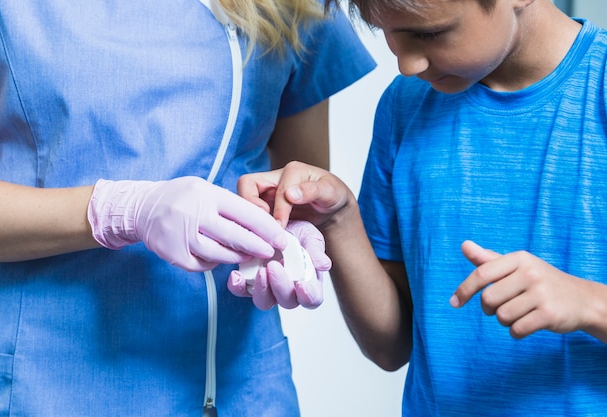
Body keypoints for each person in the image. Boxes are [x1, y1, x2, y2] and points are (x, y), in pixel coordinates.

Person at [0, 0, 375, 415]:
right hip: (45, 385)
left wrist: (283, 238)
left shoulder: (296, 4)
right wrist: (119, 210)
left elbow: (297, 185)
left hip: (240, 387)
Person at [232, 0, 607, 415]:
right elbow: (391, 347)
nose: (407, 65)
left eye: (429, 34)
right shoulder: (404, 106)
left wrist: (589, 304)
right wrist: (338, 220)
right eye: (389, 34)